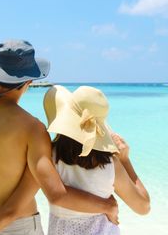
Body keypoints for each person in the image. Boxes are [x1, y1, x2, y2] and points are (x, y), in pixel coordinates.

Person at [0, 40, 118, 235]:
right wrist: (107, 205)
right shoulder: (33, 128)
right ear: (28, 81)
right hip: (21, 228)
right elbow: (54, 195)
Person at [43, 85, 150, 235]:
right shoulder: (110, 165)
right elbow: (143, 207)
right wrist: (125, 160)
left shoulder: (48, 155)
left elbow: (56, 195)